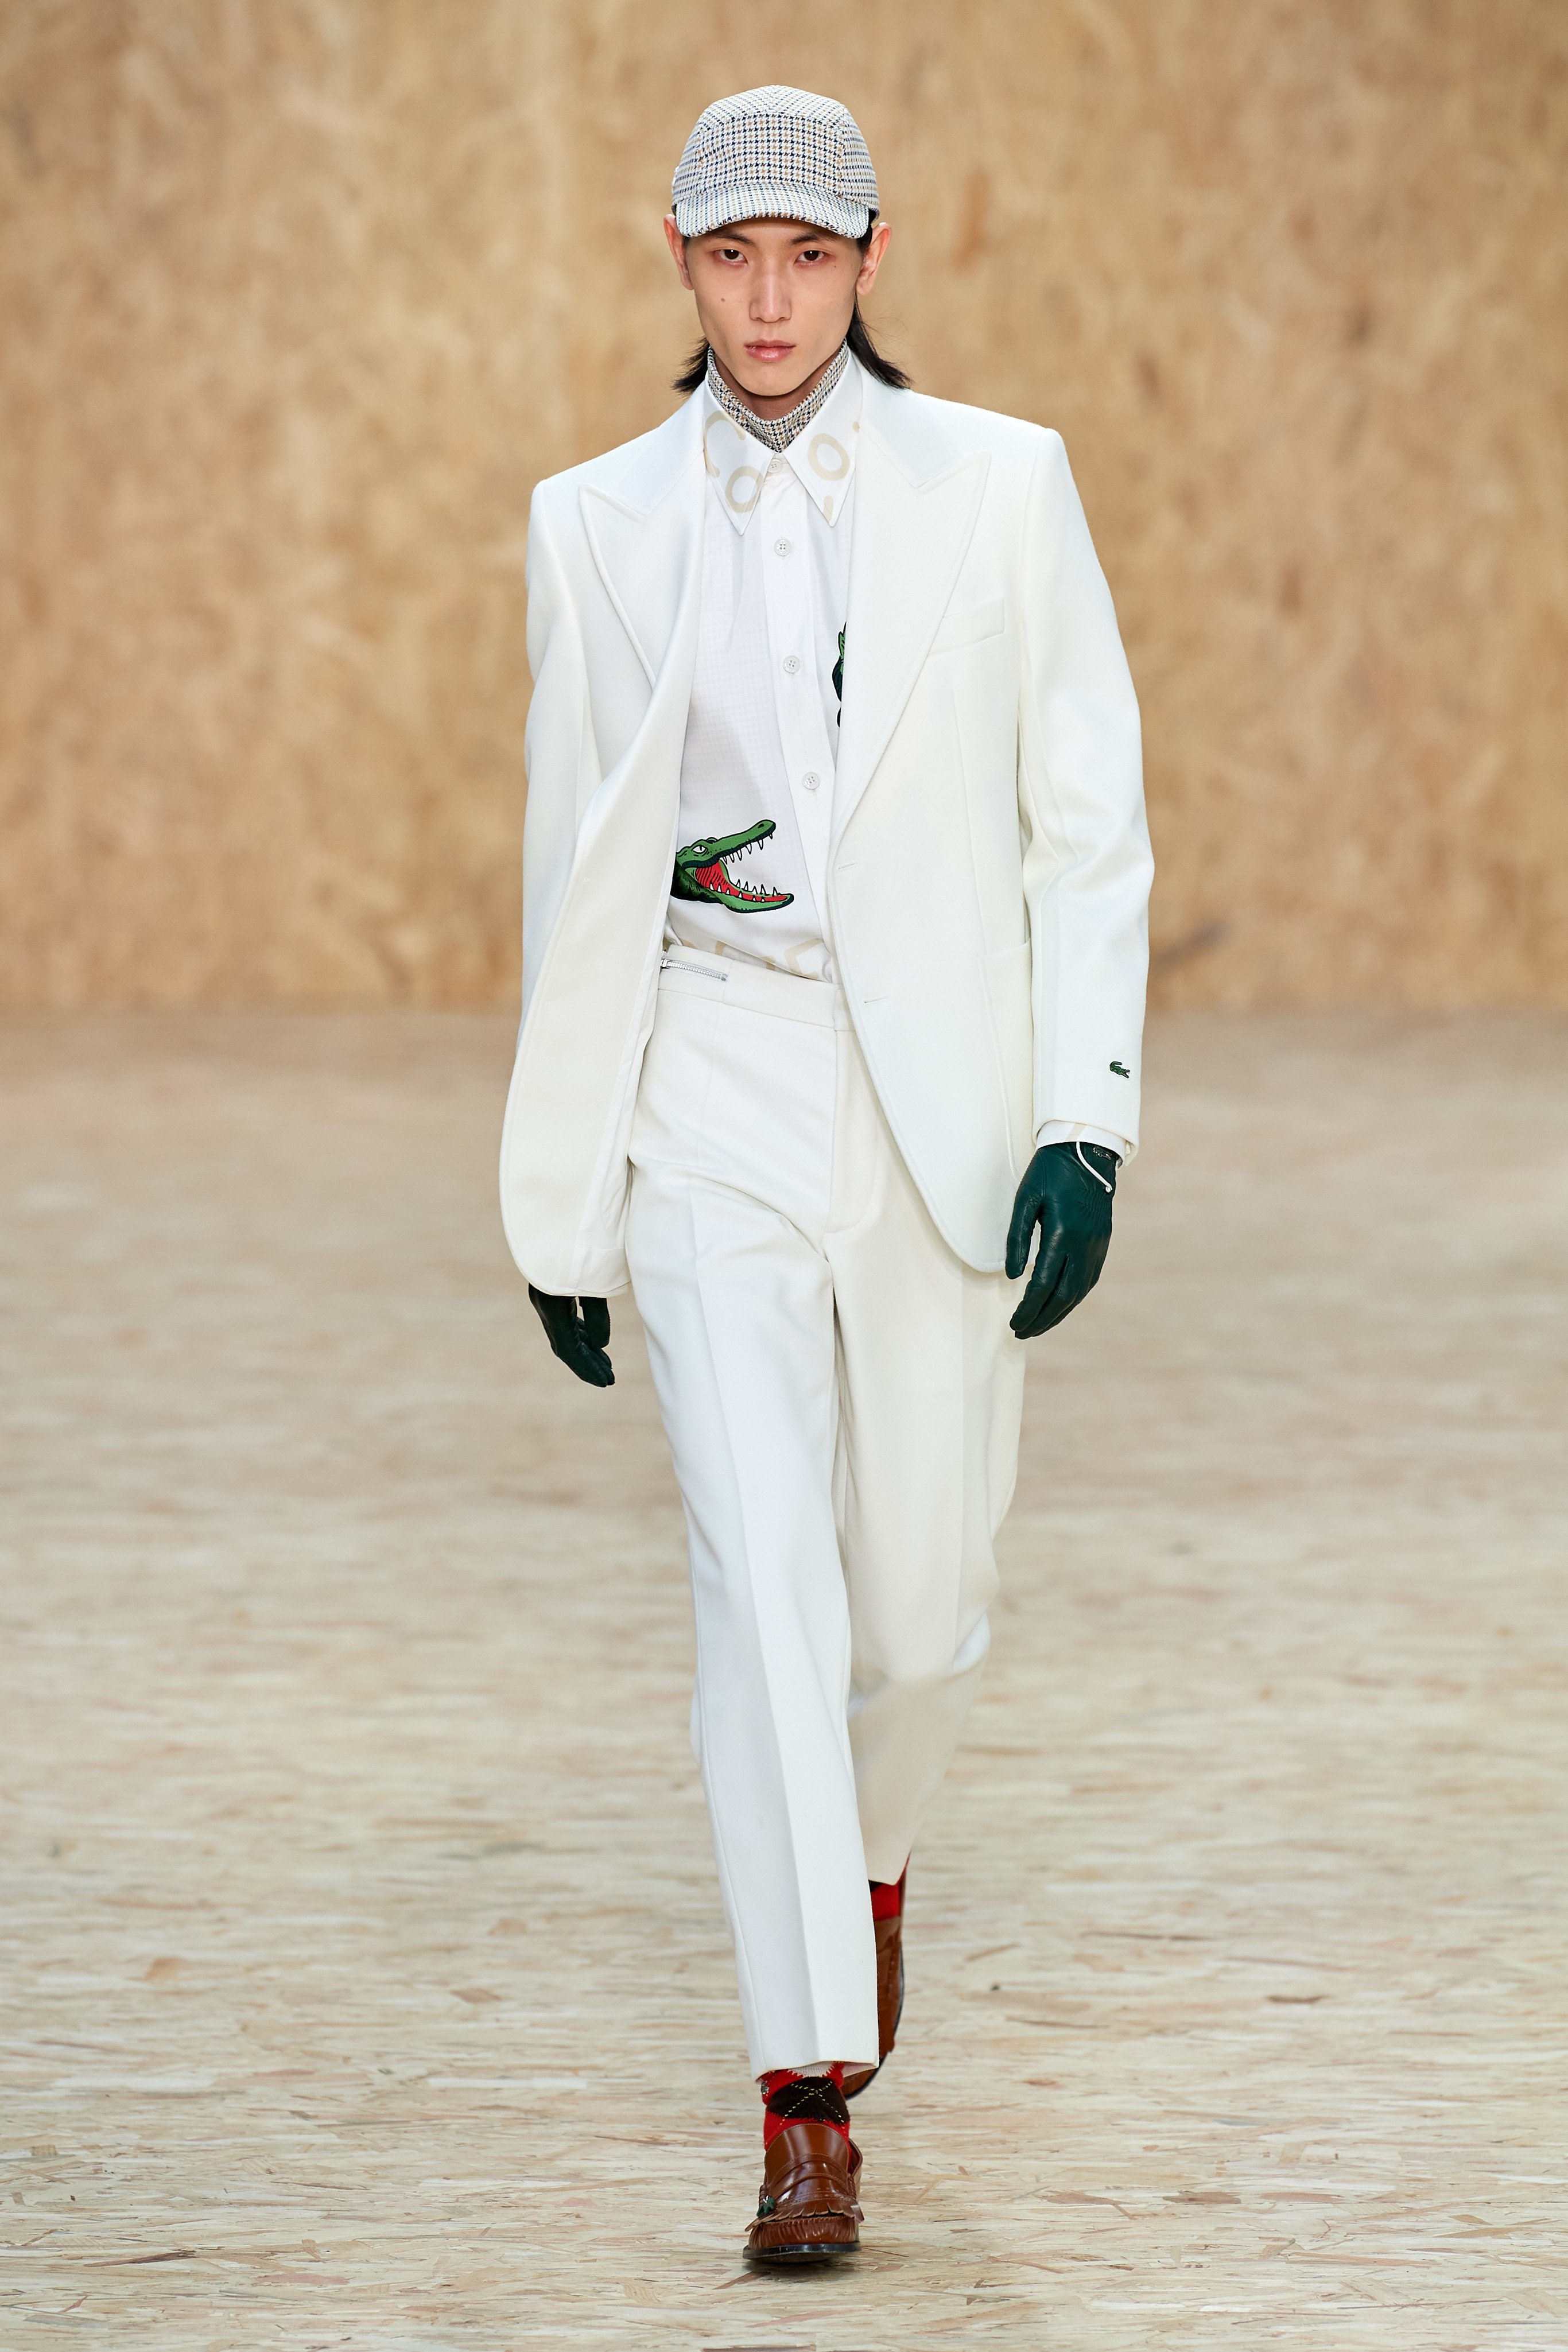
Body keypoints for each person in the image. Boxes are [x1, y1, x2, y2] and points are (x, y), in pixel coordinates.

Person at [500, 84, 1151, 2265]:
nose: (768, 301)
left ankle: (866, 1866)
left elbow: (1085, 822)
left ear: (869, 259)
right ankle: (801, 2097)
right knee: (759, 1585)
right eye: (729, 258)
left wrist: (1084, 1113)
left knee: (922, 1612)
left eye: (805, 256)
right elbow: (574, 869)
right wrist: (562, 1185)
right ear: (680, 267)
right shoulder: (590, 522)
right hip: (712, 1072)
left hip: (938, 1101)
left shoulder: (1004, 483)